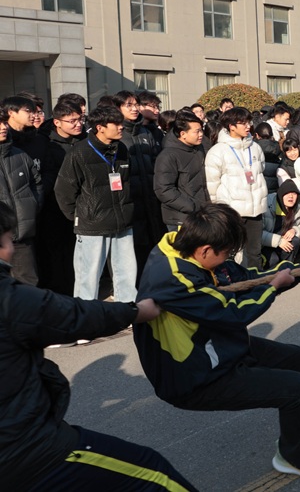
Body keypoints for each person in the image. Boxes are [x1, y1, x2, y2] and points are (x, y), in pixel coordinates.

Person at [133, 204, 300, 479]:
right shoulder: (174, 280)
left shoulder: (185, 247)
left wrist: (299, 270)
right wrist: (274, 286)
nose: (228, 259)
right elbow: (233, 312)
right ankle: (295, 458)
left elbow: (245, 280)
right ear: (205, 250)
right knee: (298, 389)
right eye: (226, 253)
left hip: (217, 346)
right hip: (193, 375)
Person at [0, 202, 197, 491]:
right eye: (8, 240)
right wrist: (136, 311)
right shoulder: (10, 299)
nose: (12, 250)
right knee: (156, 474)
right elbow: (75, 316)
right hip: (29, 452)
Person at [54, 105, 139, 306]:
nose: (121, 127)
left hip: (122, 221)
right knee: (88, 275)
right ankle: (85, 315)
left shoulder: (121, 148)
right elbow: (64, 190)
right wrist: (80, 216)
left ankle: (127, 309)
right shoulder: (79, 152)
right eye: (116, 124)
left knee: (127, 272)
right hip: (92, 224)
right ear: (100, 127)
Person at [204, 106, 267, 270]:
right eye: (243, 123)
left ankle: (256, 281)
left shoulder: (255, 147)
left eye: (249, 122)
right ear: (231, 126)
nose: (248, 126)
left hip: (256, 210)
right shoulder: (218, 151)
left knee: (254, 253)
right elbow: (212, 185)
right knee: (228, 253)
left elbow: (261, 170)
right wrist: (219, 211)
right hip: (232, 212)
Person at [36, 100, 84, 295]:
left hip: (82, 206)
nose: (78, 124)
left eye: (80, 119)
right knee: (57, 252)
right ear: (57, 122)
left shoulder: (84, 141)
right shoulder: (46, 143)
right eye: (72, 121)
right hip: (53, 207)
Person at [114, 91, 164, 270]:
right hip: (129, 199)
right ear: (118, 108)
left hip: (149, 197)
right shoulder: (117, 133)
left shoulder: (145, 132)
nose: (134, 109)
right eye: (128, 105)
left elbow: (155, 162)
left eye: (136, 105)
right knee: (133, 250)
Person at [0, 108, 43, 284]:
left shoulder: (20, 155)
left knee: (28, 286)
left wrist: (32, 207)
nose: (3, 127)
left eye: (4, 122)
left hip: (22, 235)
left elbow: (36, 184)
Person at [154, 110, 208, 231]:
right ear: (183, 134)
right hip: (180, 218)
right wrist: (192, 206)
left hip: (201, 214)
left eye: (201, 130)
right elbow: (164, 190)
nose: (201, 134)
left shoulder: (199, 150)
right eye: (197, 131)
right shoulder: (168, 156)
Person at [262, 180, 300, 267]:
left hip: (284, 242)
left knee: (295, 241)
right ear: (281, 194)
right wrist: (278, 241)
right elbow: (257, 234)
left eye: (294, 193)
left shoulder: (298, 209)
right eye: (287, 193)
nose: (291, 196)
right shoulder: (266, 206)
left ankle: (287, 268)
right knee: (273, 259)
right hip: (266, 244)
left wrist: (294, 230)